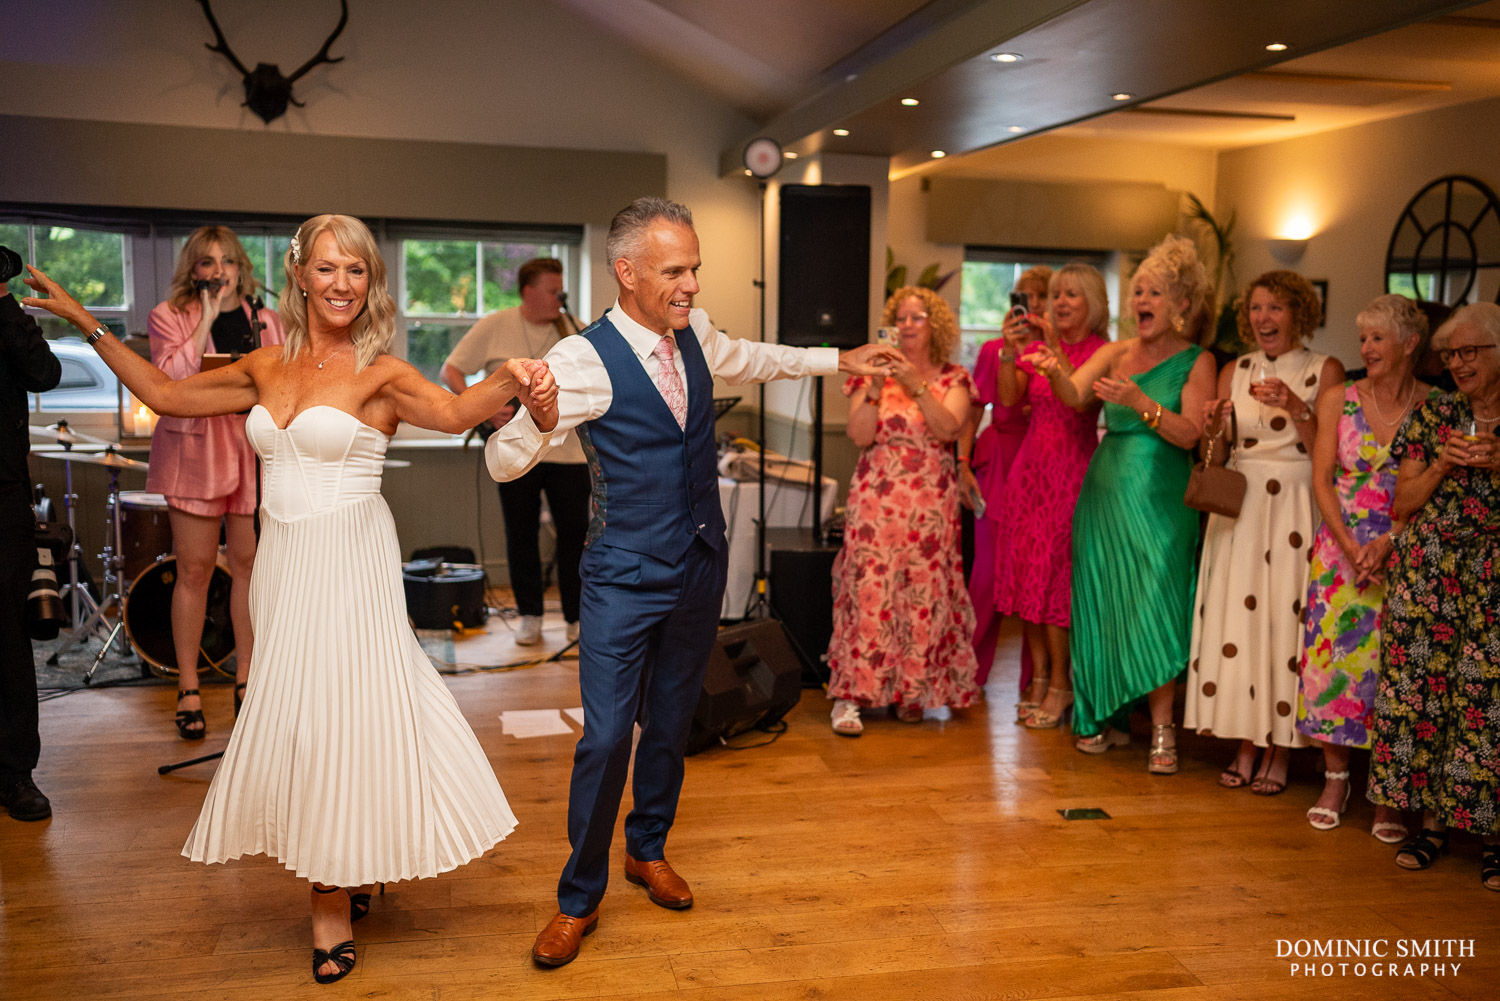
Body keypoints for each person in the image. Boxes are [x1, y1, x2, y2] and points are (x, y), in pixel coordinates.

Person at [23, 213, 552, 983]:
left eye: (357, 270)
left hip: (352, 561)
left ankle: (329, 898)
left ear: (370, 282)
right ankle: (347, 858)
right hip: (282, 566)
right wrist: (86, 321)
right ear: (300, 275)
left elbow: (453, 413)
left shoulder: (382, 373)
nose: (342, 283)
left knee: (351, 717)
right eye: (328, 268)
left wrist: (515, 378)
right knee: (307, 723)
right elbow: (166, 394)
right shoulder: (263, 366)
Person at [484, 197, 898, 968]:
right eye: (676, 270)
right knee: (608, 734)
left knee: (674, 719)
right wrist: (538, 420)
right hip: (622, 573)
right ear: (627, 271)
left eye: (695, 268)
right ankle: (578, 897)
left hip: (699, 563)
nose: (692, 285)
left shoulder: (696, 333)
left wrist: (838, 358)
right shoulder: (580, 360)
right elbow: (501, 461)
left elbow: (755, 356)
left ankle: (647, 847)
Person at [1028, 234, 1216, 773]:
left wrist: (1141, 402)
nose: (1141, 301)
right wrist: (1055, 369)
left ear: (1180, 304)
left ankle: (1162, 728)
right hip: (1105, 491)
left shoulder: (1197, 361)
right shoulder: (1115, 353)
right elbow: (1074, 396)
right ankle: (1103, 715)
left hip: (1161, 498)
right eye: (1137, 292)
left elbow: (1192, 435)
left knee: (1156, 603)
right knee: (1103, 600)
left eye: (1154, 293)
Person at [1184, 271, 1344, 795]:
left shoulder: (1325, 369)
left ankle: (1279, 747)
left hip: (1296, 505)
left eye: (1275, 307)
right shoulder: (1235, 369)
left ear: (1298, 313)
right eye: (1256, 308)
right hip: (1241, 509)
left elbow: (1331, 454)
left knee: (1284, 619)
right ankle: (1245, 742)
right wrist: (1212, 423)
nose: (1263, 317)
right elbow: (1216, 453)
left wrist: (1296, 407)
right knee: (1239, 623)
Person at [1369, 302, 1500, 890]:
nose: (1459, 363)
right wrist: (1444, 464)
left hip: (1492, 575)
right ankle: (1432, 828)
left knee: (1485, 699)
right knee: (1422, 696)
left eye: (1471, 351)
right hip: (1429, 573)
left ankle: (1492, 838)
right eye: (1450, 355)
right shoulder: (1435, 414)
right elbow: (1402, 502)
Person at [1297, 294, 1433, 836]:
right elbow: (1321, 479)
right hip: (1341, 553)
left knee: (1393, 670)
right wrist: (1352, 548)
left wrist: (1390, 543)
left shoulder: (1435, 404)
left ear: (1409, 344)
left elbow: (1434, 486)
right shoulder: (1337, 398)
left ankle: (1387, 791)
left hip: (1405, 550)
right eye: (1363, 339)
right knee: (1333, 664)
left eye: (1378, 338)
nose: (1367, 348)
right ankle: (1335, 779)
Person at [146, 226, 285, 738]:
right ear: (194, 269)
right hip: (194, 451)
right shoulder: (168, 315)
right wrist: (205, 318)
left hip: (250, 450)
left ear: (240, 267)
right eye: (208, 262)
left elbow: (282, 381)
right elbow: (172, 381)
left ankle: (246, 678)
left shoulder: (265, 318)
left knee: (249, 567)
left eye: (228, 261)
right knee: (195, 570)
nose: (219, 270)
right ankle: (188, 685)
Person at [827, 286, 980, 736]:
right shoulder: (869, 376)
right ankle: (850, 695)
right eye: (901, 318)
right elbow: (859, 435)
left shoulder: (953, 378)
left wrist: (915, 383)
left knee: (922, 596)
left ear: (936, 326)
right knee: (869, 592)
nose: (908, 325)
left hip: (930, 507)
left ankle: (908, 691)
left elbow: (949, 429)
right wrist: (877, 386)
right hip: (877, 502)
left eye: (918, 317)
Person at [440, 258, 587, 645]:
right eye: (552, 291)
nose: (560, 297)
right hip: (517, 452)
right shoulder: (495, 325)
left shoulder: (574, 329)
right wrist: (486, 409)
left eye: (561, 290)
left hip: (569, 453)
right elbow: (450, 371)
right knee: (520, 535)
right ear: (527, 291)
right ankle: (530, 616)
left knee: (575, 536)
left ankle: (576, 618)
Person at [992, 264, 1109, 730]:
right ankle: (1039, 678)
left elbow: (1078, 401)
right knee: (1028, 578)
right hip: (1030, 472)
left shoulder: (1101, 352)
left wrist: (1056, 351)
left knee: (1056, 581)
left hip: (1072, 472)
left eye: (1071, 295)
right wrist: (1009, 351)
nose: (1059, 302)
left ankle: (1063, 684)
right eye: (1056, 294)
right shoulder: (1035, 347)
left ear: (1093, 304)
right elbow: (1007, 399)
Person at [962, 265, 1048, 691]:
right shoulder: (994, 349)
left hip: (1043, 464)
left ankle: (1035, 681)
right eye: (1023, 296)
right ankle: (968, 674)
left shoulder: (1057, 353)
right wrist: (961, 462)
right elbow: (974, 408)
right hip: (996, 461)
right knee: (987, 575)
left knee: (1038, 574)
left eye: (1040, 296)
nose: (1031, 305)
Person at [0, 284, 60, 822]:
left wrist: (4, 303)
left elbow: (45, 373)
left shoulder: (6, 317)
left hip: (5, 497)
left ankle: (16, 773)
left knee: (9, 638)